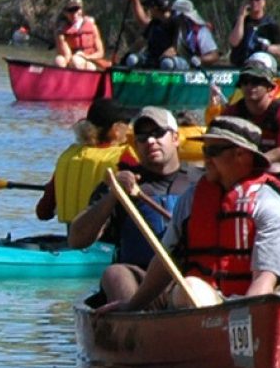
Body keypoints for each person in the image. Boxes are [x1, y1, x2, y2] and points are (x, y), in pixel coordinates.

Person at [95, 117, 280, 311]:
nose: (206, 159)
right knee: (191, 286)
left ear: (241, 155)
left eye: (213, 152)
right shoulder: (192, 199)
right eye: (205, 151)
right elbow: (165, 261)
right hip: (205, 298)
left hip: (258, 301)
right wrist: (132, 306)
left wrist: (246, 321)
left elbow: (265, 278)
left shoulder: (270, 204)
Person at [67, 106, 204, 304]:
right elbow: (76, 240)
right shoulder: (120, 184)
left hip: (185, 280)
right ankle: (135, 323)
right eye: (142, 137)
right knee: (115, 273)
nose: (150, 141)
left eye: (158, 133)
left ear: (175, 138)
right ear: (136, 144)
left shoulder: (199, 182)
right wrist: (113, 195)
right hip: (137, 280)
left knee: (196, 283)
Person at [36, 98, 133, 223]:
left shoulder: (69, 156)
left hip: (75, 237)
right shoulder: (125, 157)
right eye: (127, 123)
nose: (130, 128)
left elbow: (43, 212)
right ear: (116, 130)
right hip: (112, 238)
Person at [219, 62, 280, 171]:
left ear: (269, 87)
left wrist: (255, 163)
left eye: (256, 81)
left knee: (275, 168)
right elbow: (219, 147)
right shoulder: (232, 113)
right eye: (245, 81)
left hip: (278, 174)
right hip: (240, 172)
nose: (249, 86)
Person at [227, 0, 280, 65]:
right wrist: (241, 16)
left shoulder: (271, 24)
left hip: (261, 67)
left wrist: (266, 47)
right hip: (240, 66)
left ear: (263, 2)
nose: (254, 2)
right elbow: (234, 42)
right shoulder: (241, 22)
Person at [121, 0, 176, 67]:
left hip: (172, 61)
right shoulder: (154, 23)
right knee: (132, 59)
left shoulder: (176, 22)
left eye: (149, 7)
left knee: (166, 63)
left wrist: (166, 55)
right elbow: (141, 42)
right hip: (153, 59)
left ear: (155, 8)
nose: (148, 10)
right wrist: (126, 57)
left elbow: (178, 46)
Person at [163, 0, 222, 69]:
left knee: (167, 63)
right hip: (178, 67)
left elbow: (214, 56)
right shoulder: (173, 30)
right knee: (167, 63)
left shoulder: (201, 31)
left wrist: (199, 59)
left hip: (197, 71)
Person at [51, 0, 105, 70]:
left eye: (76, 9)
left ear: (81, 10)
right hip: (72, 61)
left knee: (86, 65)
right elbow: (67, 55)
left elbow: (100, 53)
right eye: (70, 10)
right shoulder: (61, 31)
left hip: (89, 60)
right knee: (59, 60)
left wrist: (86, 57)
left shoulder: (92, 26)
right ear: (65, 13)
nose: (74, 13)